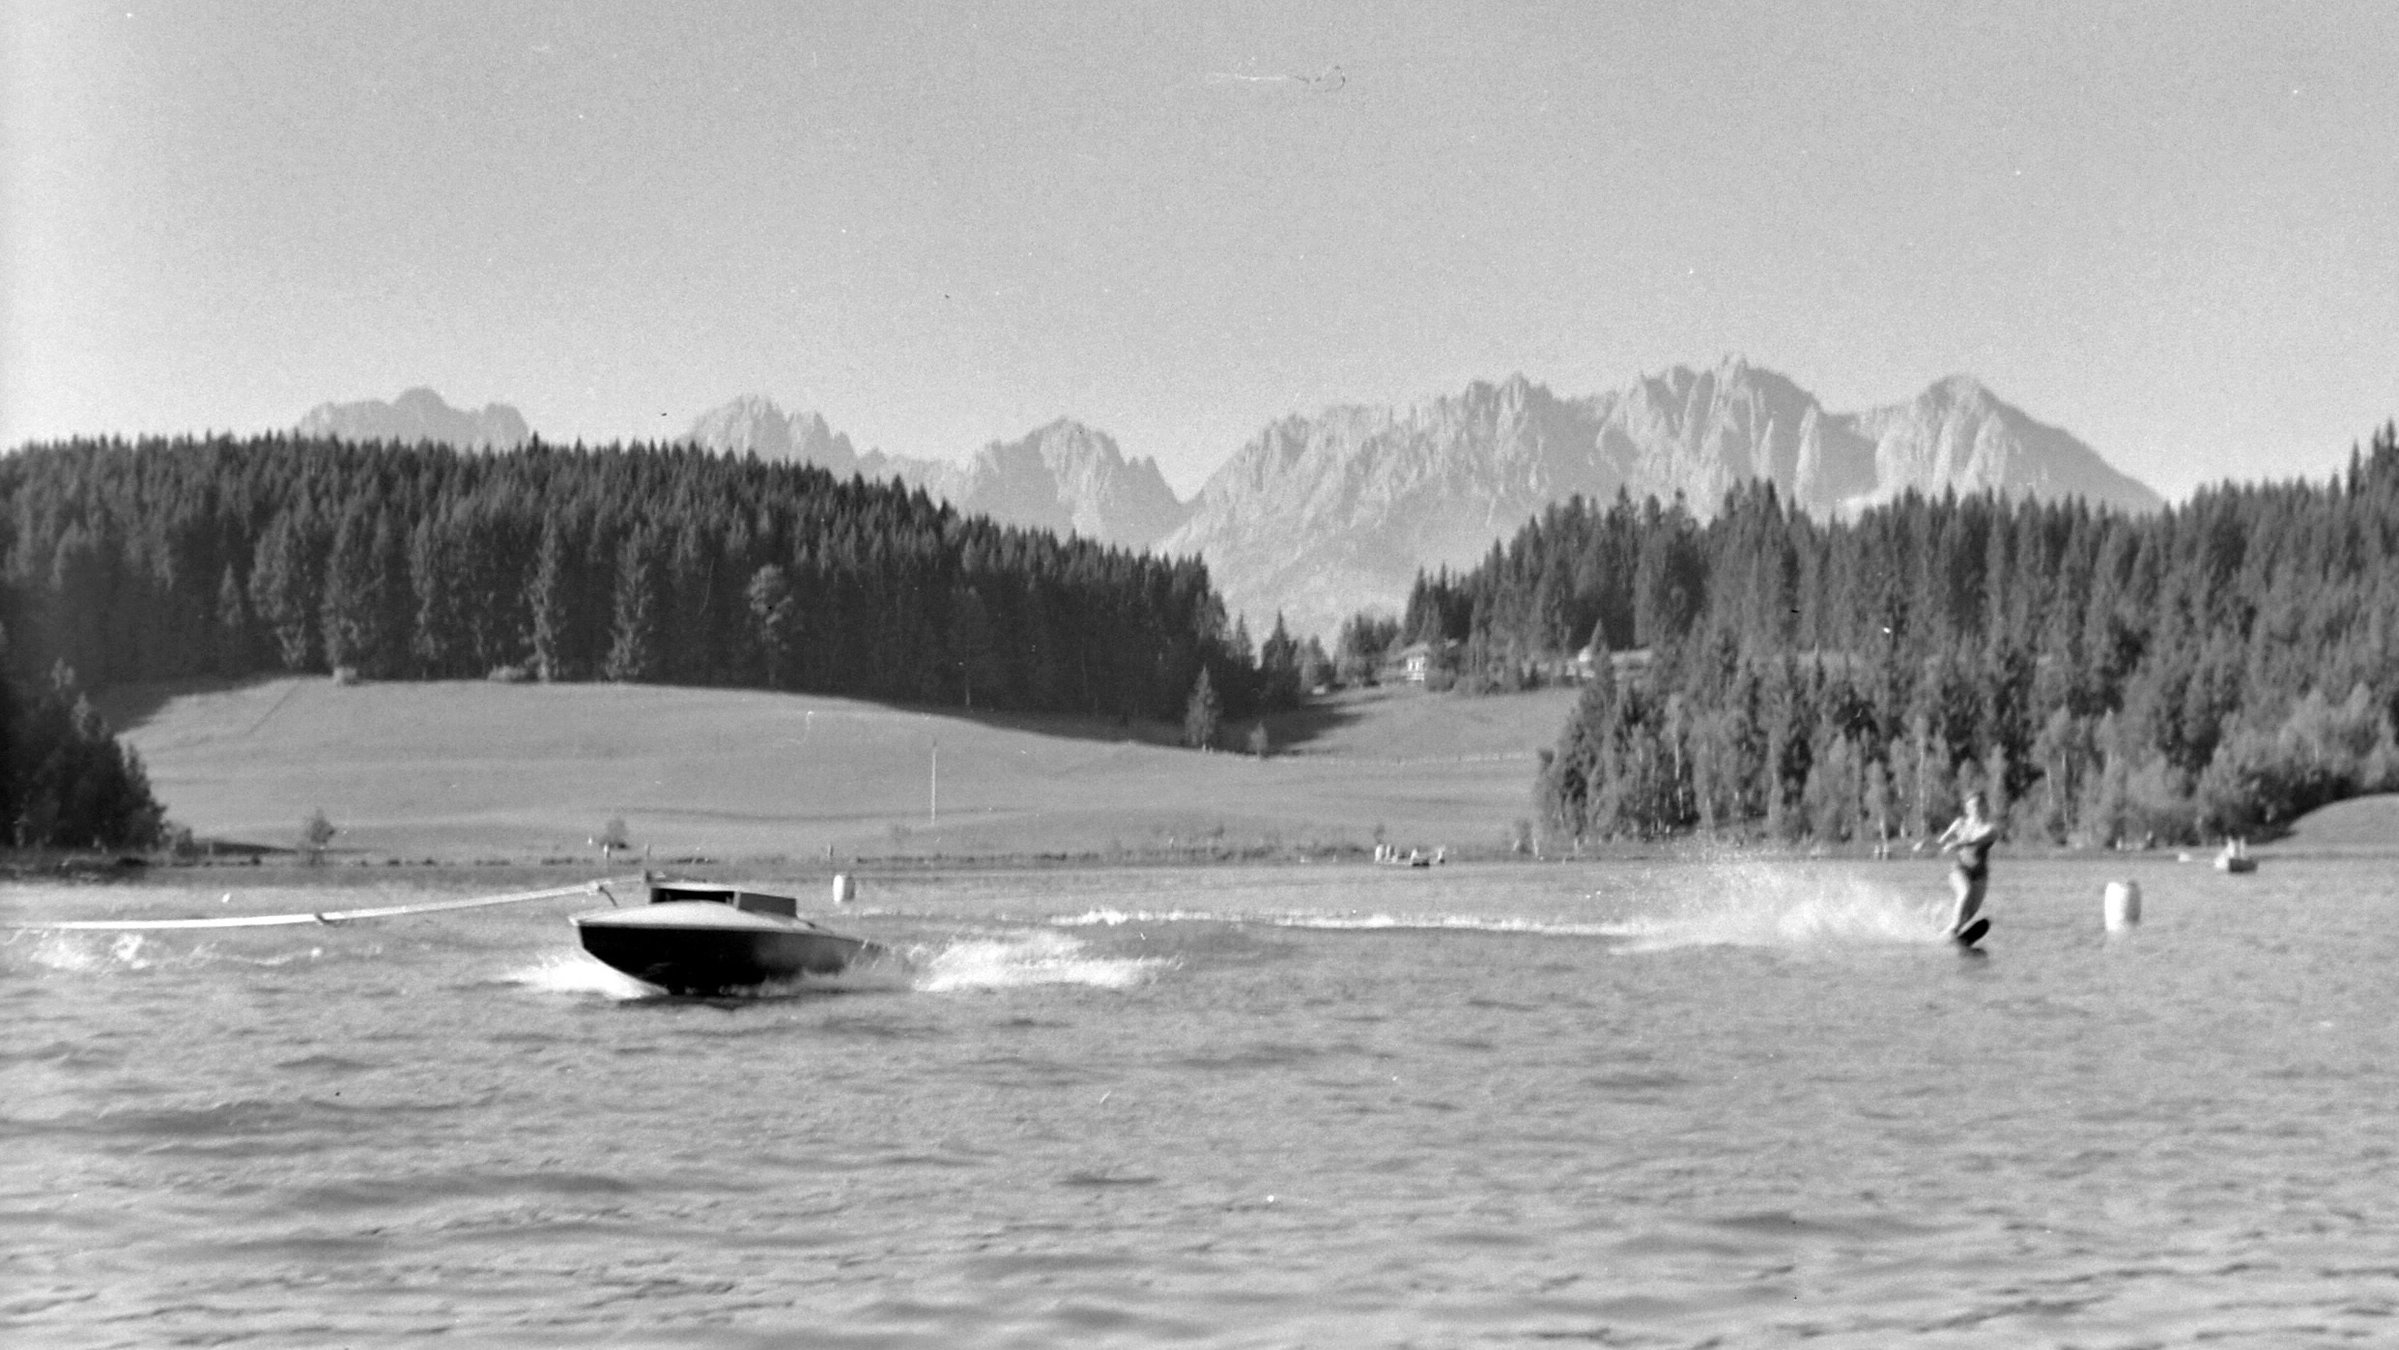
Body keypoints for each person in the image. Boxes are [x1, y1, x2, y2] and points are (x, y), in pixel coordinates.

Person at [1935, 792, 1998, 935]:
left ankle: (1950, 930)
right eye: (1972, 806)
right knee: (1965, 891)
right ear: (1967, 808)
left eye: (1978, 805)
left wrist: (1958, 843)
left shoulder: (1990, 829)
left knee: (1968, 915)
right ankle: (1953, 928)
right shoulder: (1959, 824)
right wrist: (1925, 844)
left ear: (1985, 807)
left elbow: (1977, 840)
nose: (1975, 809)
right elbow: (1941, 842)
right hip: (1960, 869)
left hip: (1980, 874)